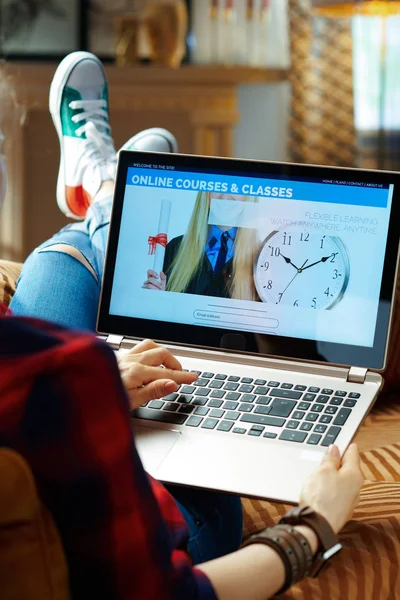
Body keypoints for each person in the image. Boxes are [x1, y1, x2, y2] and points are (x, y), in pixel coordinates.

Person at [2, 51, 364, 599]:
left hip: (72, 435)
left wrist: (98, 392)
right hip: (173, 524)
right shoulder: (66, 374)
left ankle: (105, 188)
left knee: (61, 265)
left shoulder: (41, 368)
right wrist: (312, 528)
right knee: (71, 261)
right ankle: (105, 190)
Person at [143, 192, 261, 300]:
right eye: (218, 184)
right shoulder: (175, 249)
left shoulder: (261, 260)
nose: (225, 196)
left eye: (236, 186)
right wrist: (155, 299)